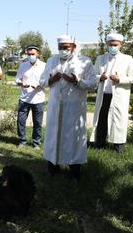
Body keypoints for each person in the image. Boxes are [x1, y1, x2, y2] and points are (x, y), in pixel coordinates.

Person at [39, 35, 97, 181]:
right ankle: (53, 166)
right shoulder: (52, 60)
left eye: (66, 47)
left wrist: (76, 81)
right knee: (54, 135)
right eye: (61, 47)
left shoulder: (84, 62)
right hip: (55, 105)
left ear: (73, 47)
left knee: (73, 137)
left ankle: (74, 170)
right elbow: (42, 81)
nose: (63, 50)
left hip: (74, 107)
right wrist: (52, 79)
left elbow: (93, 84)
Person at [90, 33, 133, 153]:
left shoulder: (128, 59)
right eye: (110, 45)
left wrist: (119, 79)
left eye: (115, 45)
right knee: (102, 120)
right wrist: (100, 77)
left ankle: (119, 147)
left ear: (121, 45)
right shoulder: (100, 59)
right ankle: (100, 144)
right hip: (104, 95)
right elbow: (93, 76)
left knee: (118, 121)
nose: (112, 47)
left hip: (119, 96)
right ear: (107, 44)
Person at [15, 45, 46, 148]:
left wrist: (40, 85)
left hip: (38, 98)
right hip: (24, 98)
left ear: (38, 54)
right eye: (28, 54)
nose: (30, 56)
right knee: (21, 120)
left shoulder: (44, 66)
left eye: (32, 54)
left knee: (37, 122)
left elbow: (47, 82)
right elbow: (17, 79)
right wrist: (21, 84)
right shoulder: (23, 66)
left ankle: (36, 142)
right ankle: (22, 140)